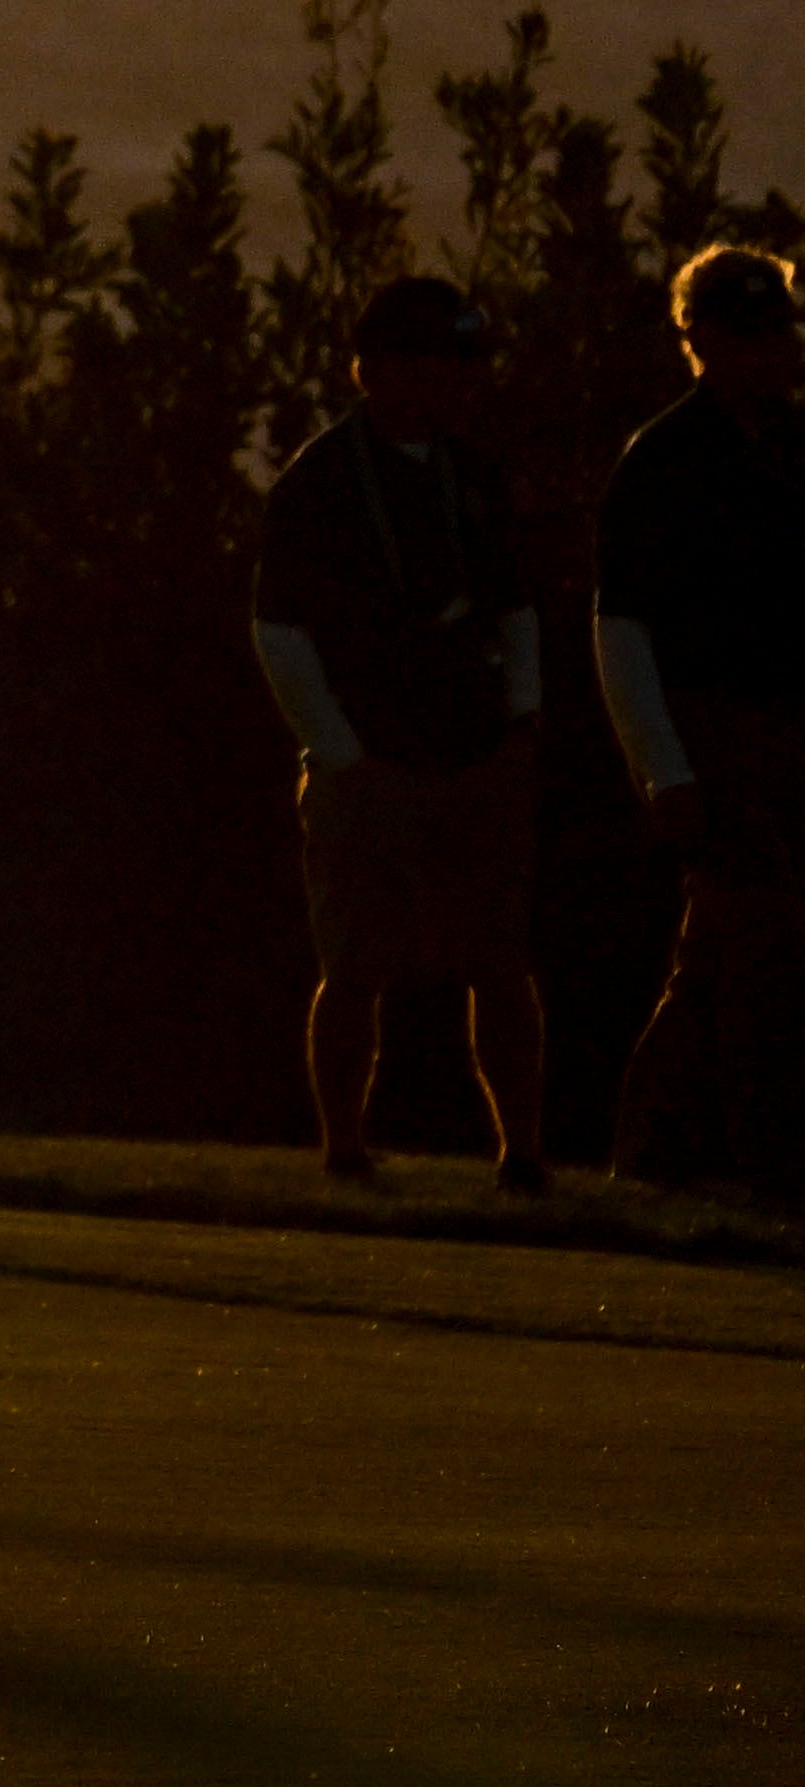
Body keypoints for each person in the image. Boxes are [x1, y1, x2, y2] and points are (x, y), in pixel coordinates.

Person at [247, 274, 543, 1188]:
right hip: (368, 761)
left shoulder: (473, 474)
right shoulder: (323, 479)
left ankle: (520, 1155)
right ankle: (343, 1148)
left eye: (462, 364)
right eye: (439, 363)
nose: (457, 382)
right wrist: (342, 756)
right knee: (354, 966)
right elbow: (278, 629)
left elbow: (515, 609)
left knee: (497, 962)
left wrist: (521, 727)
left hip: (470, 755)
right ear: (375, 370)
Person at [594, 240, 805, 1193]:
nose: (777, 352)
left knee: (731, 957)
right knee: (744, 946)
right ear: (702, 340)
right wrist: (664, 770)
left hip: (784, 730)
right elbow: (622, 626)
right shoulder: (664, 459)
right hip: (714, 731)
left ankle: (661, 1164)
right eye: (754, 335)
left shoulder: (794, 444)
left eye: (781, 332)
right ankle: (710, 1162)